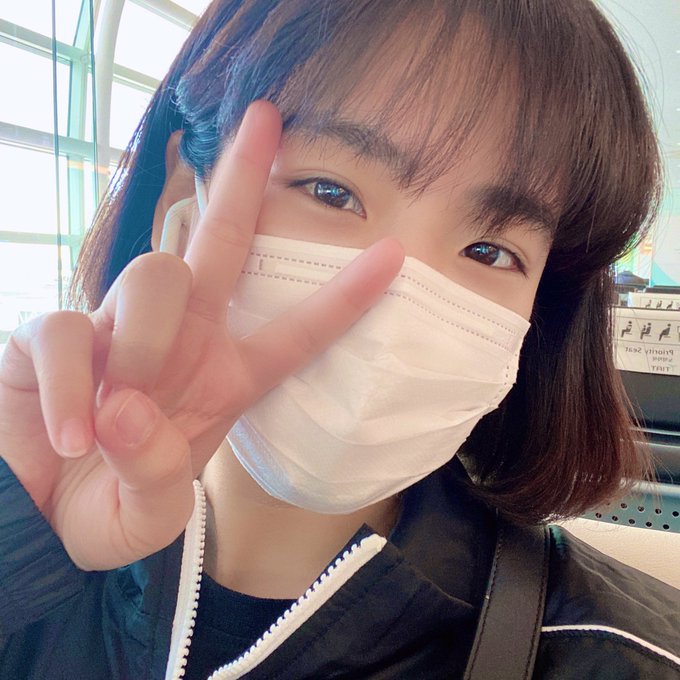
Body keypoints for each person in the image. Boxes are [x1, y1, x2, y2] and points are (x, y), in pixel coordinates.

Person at [1, 0, 679, 678]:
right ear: (182, 195)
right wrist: (17, 538)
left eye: (489, 251)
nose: (392, 297)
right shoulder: (33, 550)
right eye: (329, 191)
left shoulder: (625, 659)